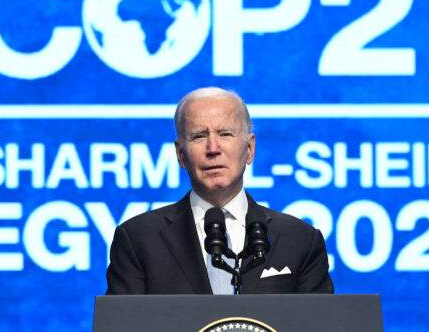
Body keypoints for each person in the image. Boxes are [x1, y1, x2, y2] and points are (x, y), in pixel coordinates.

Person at [105, 87, 334, 294]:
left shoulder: (300, 240)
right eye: (199, 136)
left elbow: (323, 326)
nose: (213, 149)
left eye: (225, 134)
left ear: (250, 148)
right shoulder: (138, 240)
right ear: (181, 154)